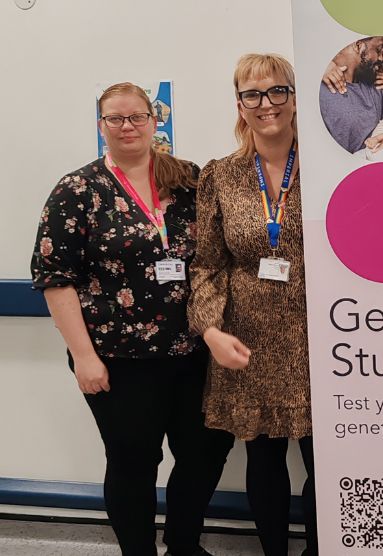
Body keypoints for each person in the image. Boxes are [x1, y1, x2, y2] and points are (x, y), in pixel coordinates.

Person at [31, 82, 231, 556]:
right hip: (118, 359)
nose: (127, 127)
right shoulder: (77, 190)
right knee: (133, 461)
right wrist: (83, 357)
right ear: (101, 127)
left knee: (205, 454)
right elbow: (55, 278)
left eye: (136, 117)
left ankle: (184, 545)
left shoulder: (188, 180)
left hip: (193, 352)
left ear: (153, 120)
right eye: (115, 119)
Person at [187, 53, 317, 556]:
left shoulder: (332, 167)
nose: (267, 104)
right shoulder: (220, 175)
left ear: (294, 96)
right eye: (253, 94)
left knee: (325, 462)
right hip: (247, 341)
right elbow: (207, 265)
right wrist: (211, 330)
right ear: (239, 105)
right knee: (264, 464)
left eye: (278, 90)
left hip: (320, 338)